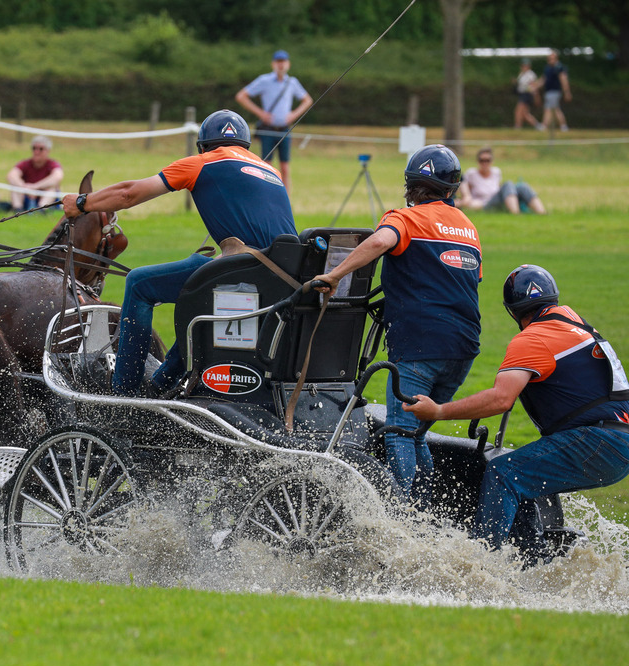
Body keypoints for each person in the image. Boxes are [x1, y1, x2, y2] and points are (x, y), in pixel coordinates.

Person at [61, 109, 297, 397]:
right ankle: (161, 384)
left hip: (248, 272)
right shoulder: (269, 169)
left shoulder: (202, 162)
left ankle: (124, 393)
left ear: (203, 146)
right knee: (198, 279)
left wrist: (82, 202)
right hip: (284, 276)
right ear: (245, 145)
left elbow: (128, 194)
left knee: (139, 283)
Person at [405, 265, 629, 553]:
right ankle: (532, 559)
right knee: (522, 477)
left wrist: (438, 411)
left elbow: (501, 399)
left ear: (512, 310)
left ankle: (477, 563)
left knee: (503, 473)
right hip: (615, 440)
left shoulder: (534, 338)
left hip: (598, 441)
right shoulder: (577, 326)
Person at [312, 144, 481, 507]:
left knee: (399, 434)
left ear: (410, 186)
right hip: (464, 348)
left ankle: (399, 515)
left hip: (421, 345)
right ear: (451, 188)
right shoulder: (468, 227)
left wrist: (334, 275)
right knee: (417, 433)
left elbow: (380, 241)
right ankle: (424, 512)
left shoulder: (405, 218)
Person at [234, 49, 313, 195]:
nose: (281, 65)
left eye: (283, 62)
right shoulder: (264, 80)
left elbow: (307, 100)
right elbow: (241, 96)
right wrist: (260, 113)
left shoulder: (292, 82)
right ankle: (266, 195)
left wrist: (293, 115)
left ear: (288, 64)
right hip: (268, 129)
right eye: (278, 62)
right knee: (266, 166)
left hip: (284, 129)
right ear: (273, 64)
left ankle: (285, 199)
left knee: (285, 167)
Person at [456, 147, 546, 215]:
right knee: (508, 184)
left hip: (499, 199)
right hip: (484, 204)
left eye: (487, 160)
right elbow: (466, 194)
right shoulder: (471, 174)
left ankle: (542, 213)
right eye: (482, 160)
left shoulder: (496, 172)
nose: (485, 163)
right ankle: (516, 214)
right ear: (478, 161)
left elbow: (498, 187)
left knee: (522, 186)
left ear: (492, 161)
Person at [6, 135, 64, 211]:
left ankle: (41, 211)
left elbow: (57, 177)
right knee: (15, 187)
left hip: (46, 199)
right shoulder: (26, 163)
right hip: (27, 197)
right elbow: (11, 175)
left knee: (51, 188)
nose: (36, 152)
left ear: (48, 150)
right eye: (34, 148)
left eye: (41, 149)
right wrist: (25, 187)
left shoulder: (52, 164)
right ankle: (17, 210)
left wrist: (35, 187)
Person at [536, 49, 572, 132]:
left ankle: (546, 125)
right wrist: (535, 86)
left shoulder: (559, 67)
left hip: (555, 91)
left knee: (551, 109)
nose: (550, 60)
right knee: (553, 109)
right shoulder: (548, 68)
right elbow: (543, 80)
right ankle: (561, 126)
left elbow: (564, 80)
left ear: (556, 58)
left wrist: (567, 92)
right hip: (548, 92)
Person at [513, 59, 544, 131]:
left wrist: (536, 96)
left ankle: (517, 127)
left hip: (527, 95)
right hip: (522, 94)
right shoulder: (521, 74)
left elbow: (533, 86)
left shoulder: (530, 75)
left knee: (518, 111)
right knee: (525, 114)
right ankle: (538, 126)